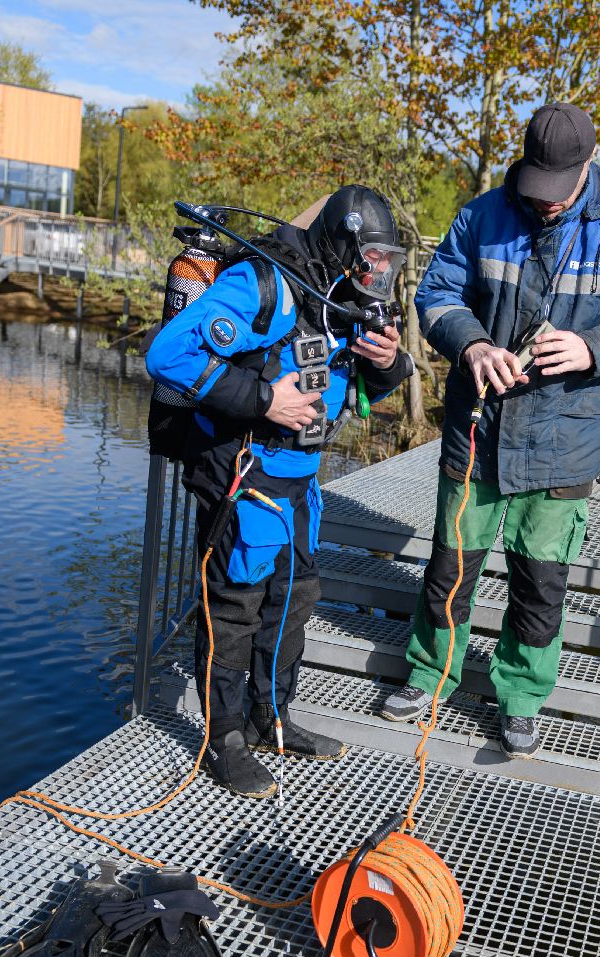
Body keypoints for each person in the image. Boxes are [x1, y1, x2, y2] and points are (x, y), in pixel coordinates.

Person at [379, 102, 600, 758]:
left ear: (588, 166)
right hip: (478, 426)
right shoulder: (482, 215)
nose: (542, 203)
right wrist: (473, 344)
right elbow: (437, 297)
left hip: (566, 437)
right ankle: (430, 676)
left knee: (541, 579)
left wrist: (593, 348)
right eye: (534, 187)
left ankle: (519, 696)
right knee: (451, 563)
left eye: (557, 190)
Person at [147, 186, 414, 797]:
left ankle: (273, 720)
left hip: (299, 480)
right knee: (234, 607)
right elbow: (167, 355)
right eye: (370, 259)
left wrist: (386, 361)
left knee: (293, 599)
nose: (378, 274)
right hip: (240, 472)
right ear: (343, 246)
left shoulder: (341, 298)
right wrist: (267, 400)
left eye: (387, 263)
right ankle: (225, 741)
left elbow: (361, 387)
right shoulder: (264, 285)